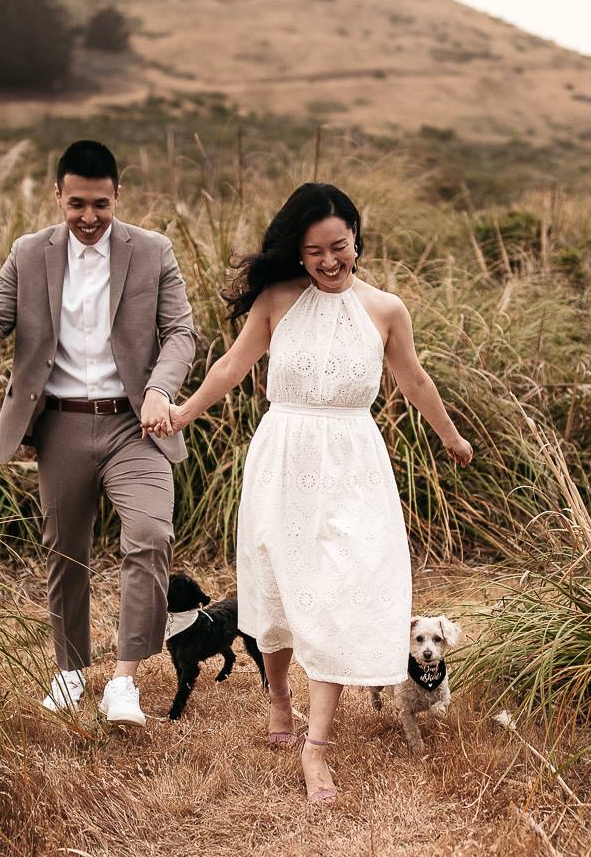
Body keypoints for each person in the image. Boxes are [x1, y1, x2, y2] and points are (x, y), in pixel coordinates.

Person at [151, 183, 473, 802]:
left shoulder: (386, 310)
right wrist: (183, 412)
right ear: (296, 251)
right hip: (285, 455)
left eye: (340, 247)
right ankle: (278, 703)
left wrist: (451, 438)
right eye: (314, 251)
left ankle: (316, 747)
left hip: (353, 462)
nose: (329, 261)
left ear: (357, 238)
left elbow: (414, 378)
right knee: (277, 585)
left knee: (341, 587)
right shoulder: (276, 300)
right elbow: (230, 368)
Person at [0, 140, 196, 726]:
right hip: (60, 423)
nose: (88, 217)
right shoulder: (28, 252)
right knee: (65, 550)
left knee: (149, 535)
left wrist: (162, 390)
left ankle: (124, 680)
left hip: (136, 424)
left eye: (100, 204)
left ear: (117, 196)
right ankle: (69, 669)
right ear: (58, 197)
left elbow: (181, 335)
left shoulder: (153, 252)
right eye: (76, 205)